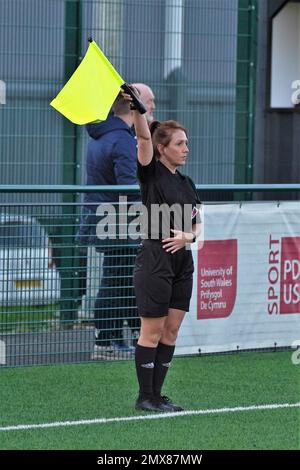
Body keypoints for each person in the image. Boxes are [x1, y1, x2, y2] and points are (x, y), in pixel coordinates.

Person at [122, 88, 202, 412]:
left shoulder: (186, 182)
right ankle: (145, 397)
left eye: (186, 142)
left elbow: (198, 222)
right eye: (180, 143)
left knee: (171, 330)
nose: (186, 148)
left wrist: (190, 237)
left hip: (183, 261)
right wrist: (139, 111)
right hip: (155, 258)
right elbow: (142, 140)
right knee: (152, 332)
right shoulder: (151, 174)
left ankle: (158, 395)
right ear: (163, 148)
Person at [78, 93, 139, 358]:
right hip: (118, 220)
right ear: (133, 110)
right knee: (116, 279)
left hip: (102, 216)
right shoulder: (122, 140)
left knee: (120, 277)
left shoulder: (100, 136)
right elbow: (129, 186)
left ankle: (112, 337)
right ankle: (105, 340)